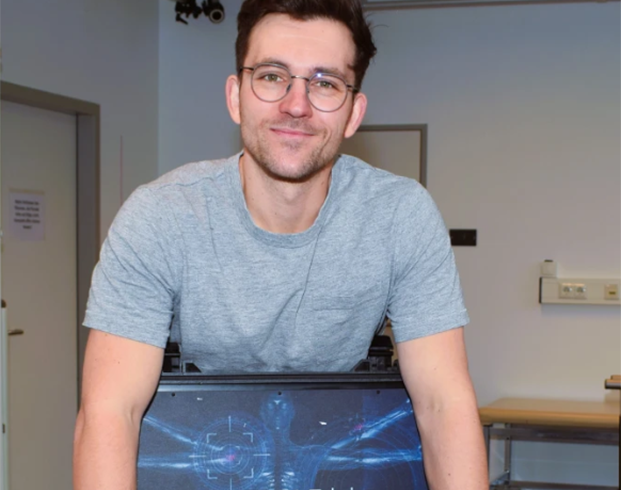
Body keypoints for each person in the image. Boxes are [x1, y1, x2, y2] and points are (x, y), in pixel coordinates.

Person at [73, 0, 488, 488]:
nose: (297, 104)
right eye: (272, 76)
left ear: (353, 113)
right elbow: (109, 412)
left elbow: (444, 406)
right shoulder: (161, 217)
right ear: (236, 97)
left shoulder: (401, 216)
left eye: (325, 83)